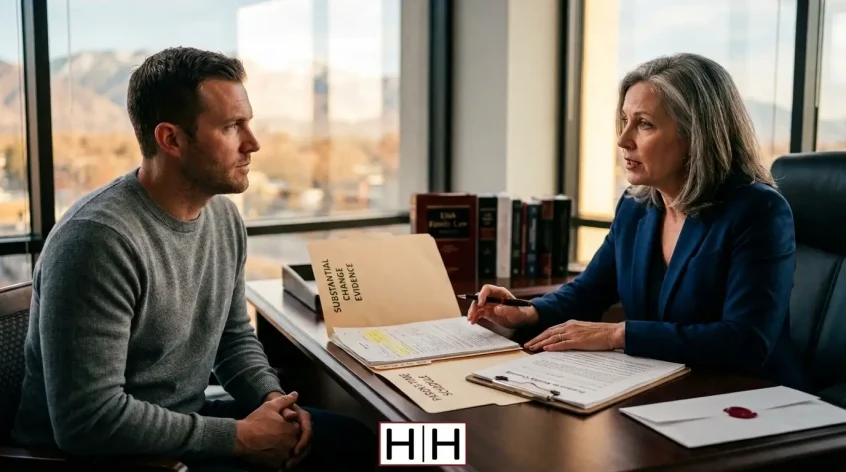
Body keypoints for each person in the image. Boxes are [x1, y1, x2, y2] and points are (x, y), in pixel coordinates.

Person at [11, 47, 377, 471]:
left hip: (182, 429)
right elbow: (87, 421)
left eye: (248, 123)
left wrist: (273, 401)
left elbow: (232, 337)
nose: (253, 144)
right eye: (231, 127)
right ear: (171, 139)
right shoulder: (98, 241)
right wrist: (240, 437)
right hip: (104, 458)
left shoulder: (222, 217)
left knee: (360, 442)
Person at [468, 53, 808, 391]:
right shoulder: (636, 206)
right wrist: (526, 311)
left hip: (748, 400)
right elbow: (588, 291)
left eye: (644, 124)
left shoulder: (758, 211)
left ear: (695, 136)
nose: (623, 139)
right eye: (625, 120)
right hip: (661, 389)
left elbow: (746, 341)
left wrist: (618, 334)